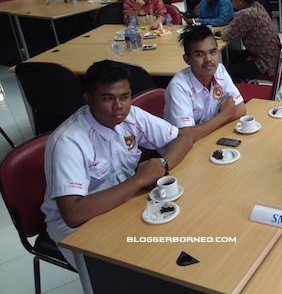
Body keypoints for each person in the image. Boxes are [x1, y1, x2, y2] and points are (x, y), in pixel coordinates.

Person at [41, 59, 193, 270]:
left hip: (124, 202)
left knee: (183, 235)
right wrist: (139, 179)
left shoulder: (129, 116)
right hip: (78, 228)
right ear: (89, 99)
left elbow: (183, 138)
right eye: (108, 98)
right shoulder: (70, 141)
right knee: (139, 269)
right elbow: (73, 215)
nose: (118, 106)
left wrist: (162, 165)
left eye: (125, 97)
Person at [164, 25, 246, 142]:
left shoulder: (220, 70)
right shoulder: (178, 87)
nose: (208, 59)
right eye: (200, 54)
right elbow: (187, 136)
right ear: (187, 59)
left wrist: (205, 128)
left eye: (213, 52)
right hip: (179, 150)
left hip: (208, 138)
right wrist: (223, 115)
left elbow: (240, 109)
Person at [212, 0, 281, 82]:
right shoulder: (257, 5)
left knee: (227, 72)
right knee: (233, 57)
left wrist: (221, 30)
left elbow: (225, 36)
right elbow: (234, 26)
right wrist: (223, 28)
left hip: (264, 63)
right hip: (271, 55)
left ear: (240, 0)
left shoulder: (245, 14)